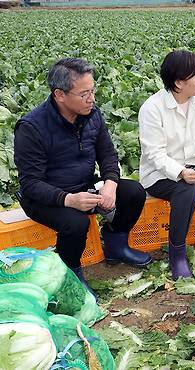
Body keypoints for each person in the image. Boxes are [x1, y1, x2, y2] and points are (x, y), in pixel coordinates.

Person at [13, 58, 152, 291]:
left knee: (133, 192)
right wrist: (68, 200)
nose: (92, 99)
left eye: (93, 91)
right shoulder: (31, 127)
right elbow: (31, 184)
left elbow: (107, 154)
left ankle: (116, 244)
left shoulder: (92, 115)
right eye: (84, 93)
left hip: (83, 185)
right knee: (76, 223)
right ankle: (72, 275)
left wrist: (110, 183)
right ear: (60, 95)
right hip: (45, 198)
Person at [139, 50, 195, 280]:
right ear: (179, 83)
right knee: (187, 190)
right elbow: (154, 154)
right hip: (160, 174)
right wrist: (179, 172)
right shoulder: (152, 108)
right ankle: (177, 253)